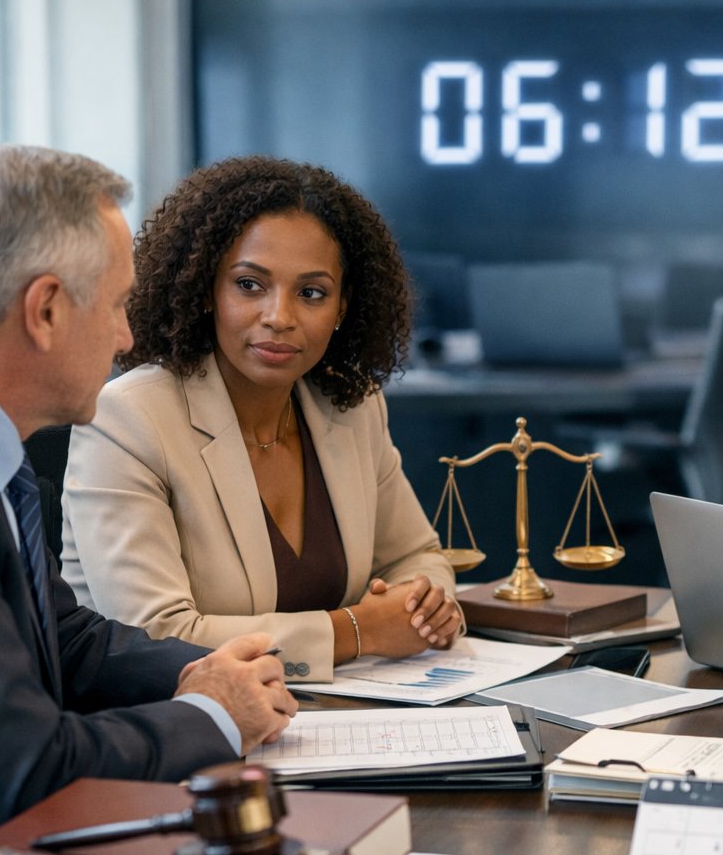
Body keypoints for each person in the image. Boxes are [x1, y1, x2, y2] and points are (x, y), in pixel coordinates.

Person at [0, 145, 298, 855]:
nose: (126, 337)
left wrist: (196, 674)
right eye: (115, 304)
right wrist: (212, 718)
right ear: (44, 310)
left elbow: (59, 636)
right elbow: (14, 777)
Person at [61, 157, 460, 680]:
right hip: (177, 729)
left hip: (338, 720)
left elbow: (419, 558)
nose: (279, 317)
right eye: (250, 285)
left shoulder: (352, 406)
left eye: (311, 293)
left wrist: (422, 605)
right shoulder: (129, 419)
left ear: (342, 309)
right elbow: (154, 636)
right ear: (208, 289)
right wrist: (360, 630)